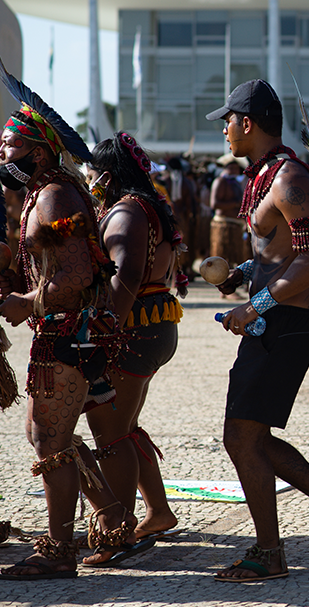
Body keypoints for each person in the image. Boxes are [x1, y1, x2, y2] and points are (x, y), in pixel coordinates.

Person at [205, 79, 309, 581]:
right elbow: (279, 253)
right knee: (248, 436)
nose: (224, 131)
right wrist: (244, 273)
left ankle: (270, 552)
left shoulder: (288, 178)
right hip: (274, 319)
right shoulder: (267, 175)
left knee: (242, 437)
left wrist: (255, 303)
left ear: (247, 123)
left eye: (228, 122)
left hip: (285, 321)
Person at [0, 65, 151, 579]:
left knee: (49, 440)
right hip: (68, 335)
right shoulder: (45, 193)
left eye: (10, 146)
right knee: (49, 435)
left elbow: (79, 275)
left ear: (39, 153)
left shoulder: (56, 195)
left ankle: (59, 551)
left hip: (68, 335)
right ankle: (114, 520)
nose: (3, 155)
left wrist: (28, 302)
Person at [84, 133, 189, 560]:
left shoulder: (127, 212)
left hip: (133, 328)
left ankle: (120, 531)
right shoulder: (144, 207)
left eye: (92, 173)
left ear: (107, 176)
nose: (89, 179)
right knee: (124, 425)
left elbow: (124, 279)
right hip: (150, 325)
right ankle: (158, 512)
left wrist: (101, 335)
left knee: (110, 432)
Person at [209, 153, 248, 289]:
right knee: (224, 258)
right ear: (225, 168)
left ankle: (230, 288)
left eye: (236, 169)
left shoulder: (236, 183)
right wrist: (235, 204)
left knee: (234, 258)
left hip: (235, 225)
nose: (233, 171)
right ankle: (223, 288)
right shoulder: (220, 181)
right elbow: (214, 204)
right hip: (223, 225)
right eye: (231, 168)